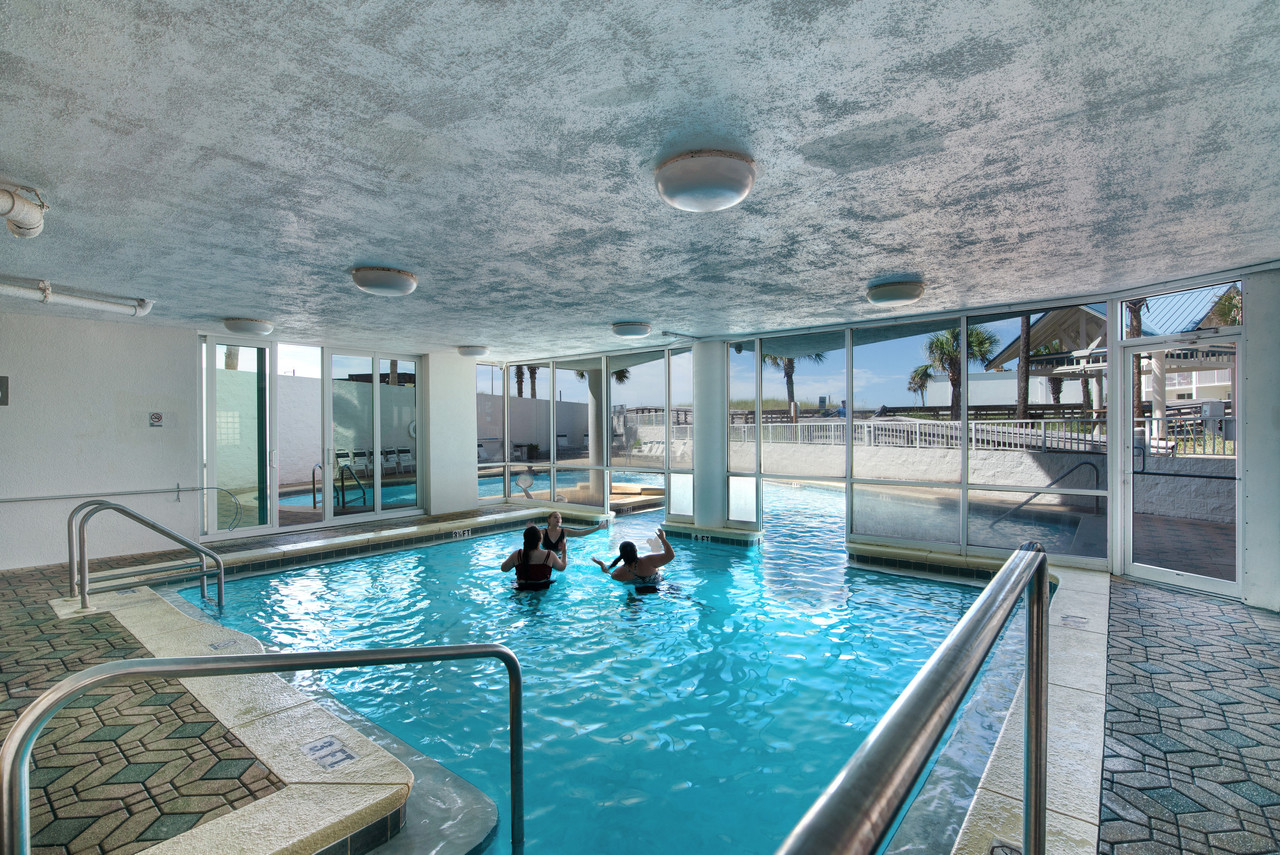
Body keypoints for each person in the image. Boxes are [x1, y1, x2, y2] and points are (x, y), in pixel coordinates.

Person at [592, 529, 674, 586]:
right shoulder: (648, 560)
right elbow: (670, 555)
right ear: (636, 550)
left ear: (621, 555)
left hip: (640, 593)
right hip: (660, 586)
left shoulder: (618, 573)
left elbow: (610, 574)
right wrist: (663, 539)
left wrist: (602, 565)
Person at [501, 525, 566, 590]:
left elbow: (504, 569)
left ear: (525, 539)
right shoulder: (549, 555)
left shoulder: (517, 554)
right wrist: (564, 552)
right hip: (542, 588)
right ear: (540, 540)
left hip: (521, 588)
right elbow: (562, 567)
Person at [541, 510, 606, 560]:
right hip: (546, 558)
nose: (558, 519)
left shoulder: (565, 532)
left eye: (560, 518)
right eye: (555, 517)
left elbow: (582, 533)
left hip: (560, 557)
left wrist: (597, 528)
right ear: (549, 520)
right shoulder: (543, 532)